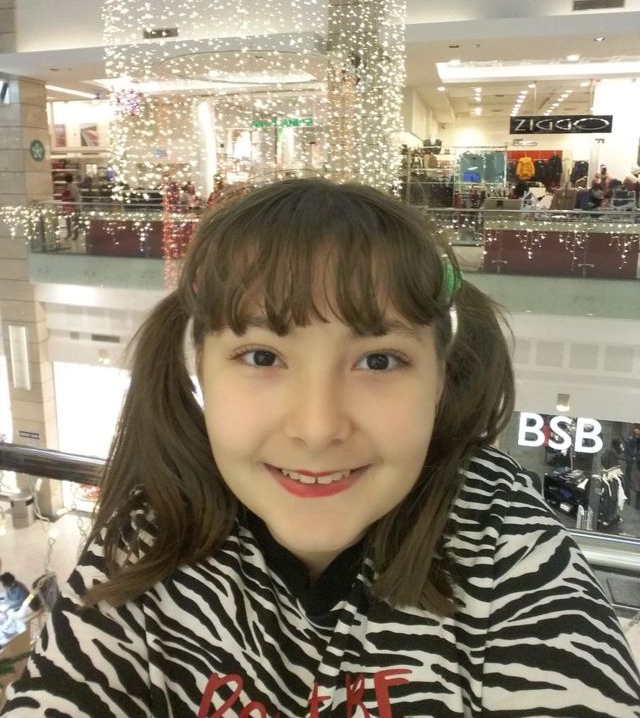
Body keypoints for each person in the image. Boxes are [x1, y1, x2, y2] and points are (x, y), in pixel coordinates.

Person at [2, 178, 640, 716]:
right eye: (261, 356)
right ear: (201, 370)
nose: (316, 427)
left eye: (379, 360)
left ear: (441, 378)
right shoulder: (151, 530)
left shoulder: (507, 551)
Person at [60, 172, 81, 240]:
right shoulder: (73, 186)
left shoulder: (70, 186)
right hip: (73, 205)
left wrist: (65, 198)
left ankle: (72, 234)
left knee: (71, 220)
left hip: (72, 205)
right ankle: (73, 234)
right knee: (73, 220)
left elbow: (72, 196)